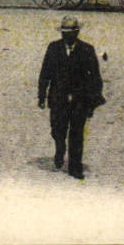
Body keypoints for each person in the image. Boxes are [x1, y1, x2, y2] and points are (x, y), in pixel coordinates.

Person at [38, 15, 105, 180]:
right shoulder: (53, 48)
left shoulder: (87, 50)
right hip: (58, 98)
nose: (66, 36)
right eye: (64, 33)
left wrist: (92, 102)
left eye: (70, 33)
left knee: (76, 133)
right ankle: (60, 148)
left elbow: (95, 77)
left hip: (79, 100)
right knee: (57, 130)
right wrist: (41, 96)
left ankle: (75, 167)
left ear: (76, 33)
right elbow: (45, 73)